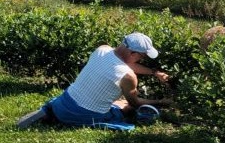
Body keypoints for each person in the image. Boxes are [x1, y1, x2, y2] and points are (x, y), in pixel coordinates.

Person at [17, 32, 172, 131]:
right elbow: (136, 102)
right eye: (142, 56)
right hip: (84, 115)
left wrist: (153, 72)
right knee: (127, 106)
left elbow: (123, 63)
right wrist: (161, 101)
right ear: (133, 53)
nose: (142, 59)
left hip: (64, 103)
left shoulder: (102, 50)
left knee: (118, 102)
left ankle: (50, 114)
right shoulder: (128, 76)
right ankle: (69, 119)